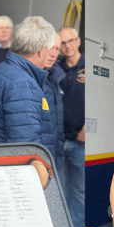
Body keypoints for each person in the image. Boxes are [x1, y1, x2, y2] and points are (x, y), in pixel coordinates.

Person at [0, 16, 56, 156]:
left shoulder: (2, 69)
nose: (49, 54)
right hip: (10, 170)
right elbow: (27, 150)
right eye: (49, 49)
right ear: (41, 50)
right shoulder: (23, 85)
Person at [56, 26, 85, 227]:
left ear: (79, 41)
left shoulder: (91, 68)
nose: (67, 46)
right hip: (57, 140)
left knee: (79, 190)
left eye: (71, 41)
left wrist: (88, 128)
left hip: (80, 142)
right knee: (59, 188)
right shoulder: (55, 69)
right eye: (62, 43)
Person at [42, 33, 65, 176]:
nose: (53, 54)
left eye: (57, 49)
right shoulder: (30, 78)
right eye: (50, 48)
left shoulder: (56, 77)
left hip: (57, 151)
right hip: (40, 155)